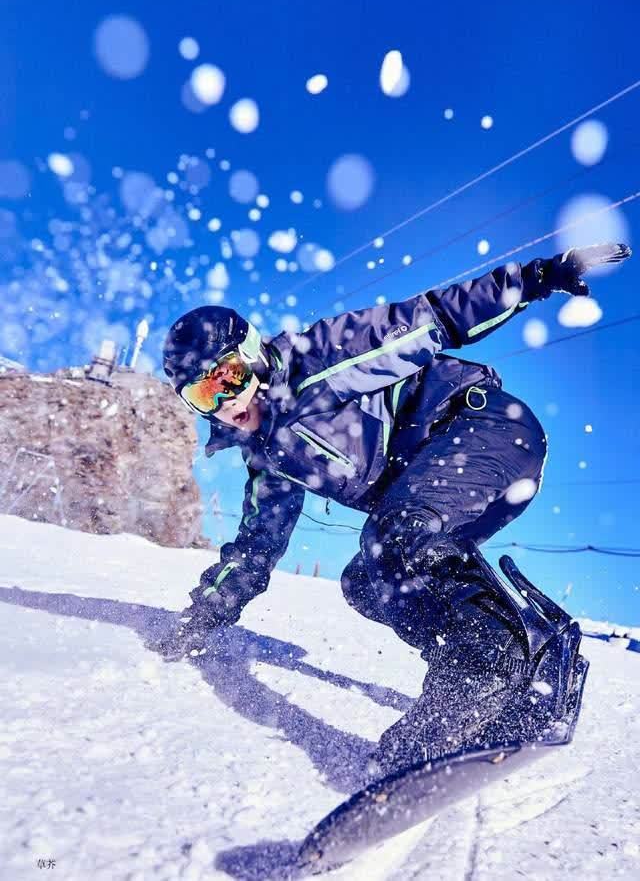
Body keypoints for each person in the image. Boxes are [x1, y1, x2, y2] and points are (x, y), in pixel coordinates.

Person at [155, 242, 631, 775]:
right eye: (203, 395)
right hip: (446, 492)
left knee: (393, 535)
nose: (228, 404)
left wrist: (538, 277)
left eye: (229, 380)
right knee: (366, 580)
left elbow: (434, 319)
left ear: (254, 358)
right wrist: (206, 613)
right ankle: (514, 665)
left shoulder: (316, 361)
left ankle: (486, 665)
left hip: (484, 430)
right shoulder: (269, 457)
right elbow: (255, 546)